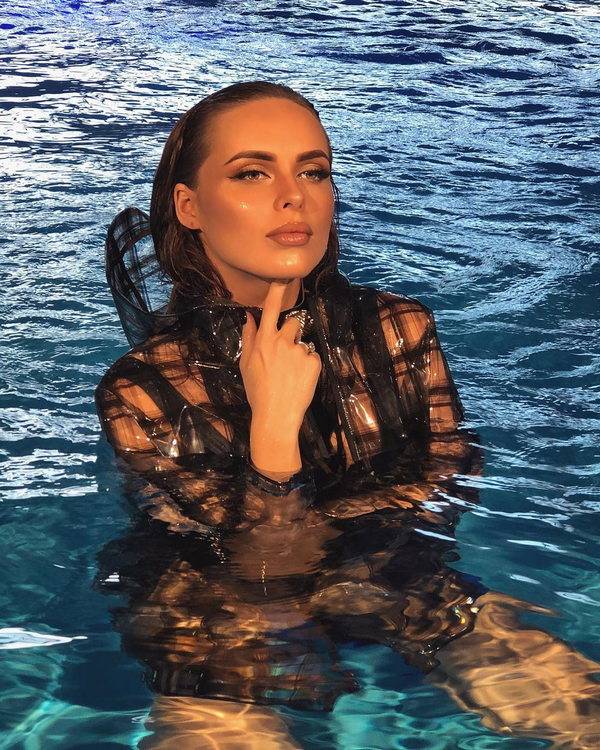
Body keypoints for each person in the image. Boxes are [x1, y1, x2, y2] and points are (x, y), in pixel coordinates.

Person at [95, 82, 600, 749]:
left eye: (314, 170)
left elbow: (452, 480)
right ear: (189, 206)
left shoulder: (399, 329)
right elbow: (260, 571)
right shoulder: (141, 390)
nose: (294, 196)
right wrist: (274, 434)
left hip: (390, 576)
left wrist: (338, 548)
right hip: (209, 614)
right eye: (252, 173)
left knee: (586, 714)